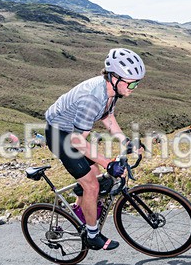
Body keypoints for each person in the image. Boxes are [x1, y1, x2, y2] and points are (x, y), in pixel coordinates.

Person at [44, 48, 145, 251]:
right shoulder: (92, 97)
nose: (134, 87)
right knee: (93, 185)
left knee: (97, 176)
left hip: (73, 134)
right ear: (114, 77)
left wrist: (125, 141)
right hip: (60, 136)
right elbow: (77, 141)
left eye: (137, 82)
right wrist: (108, 163)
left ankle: (80, 208)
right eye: (131, 82)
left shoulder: (111, 92)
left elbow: (107, 117)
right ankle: (91, 235)